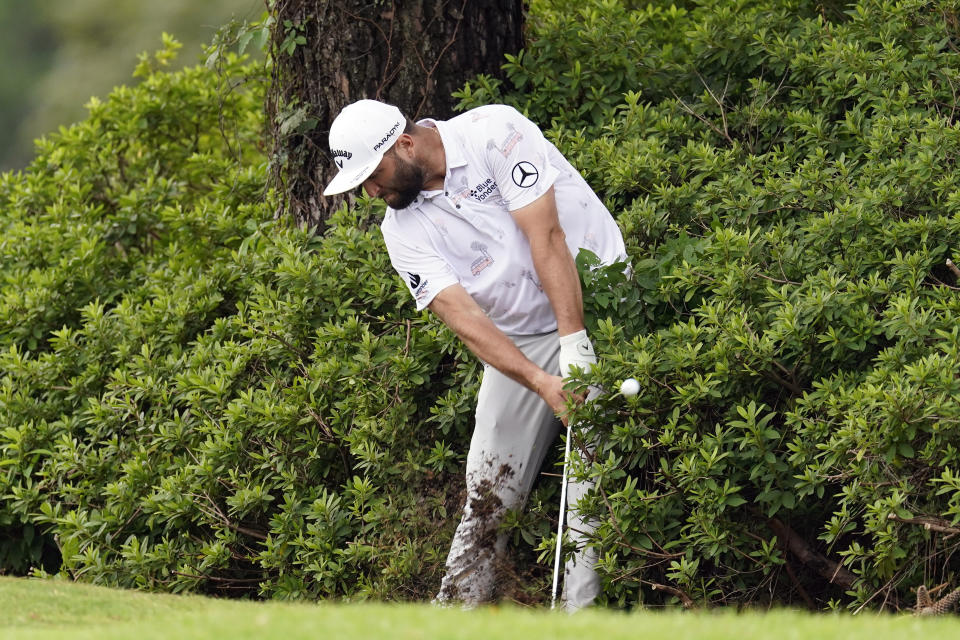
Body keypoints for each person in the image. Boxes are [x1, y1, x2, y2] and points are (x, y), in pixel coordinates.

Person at [322, 99, 626, 610]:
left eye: (373, 176)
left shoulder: (494, 132)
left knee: (588, 490)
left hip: (597, 301)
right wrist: (541, 380)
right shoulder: (401, 232)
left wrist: (575, 347)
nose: (371, 192)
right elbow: (466, 320)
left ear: (405, 144)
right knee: (488, 497)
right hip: (520, 339)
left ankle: (580, 619)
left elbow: (547, 238)